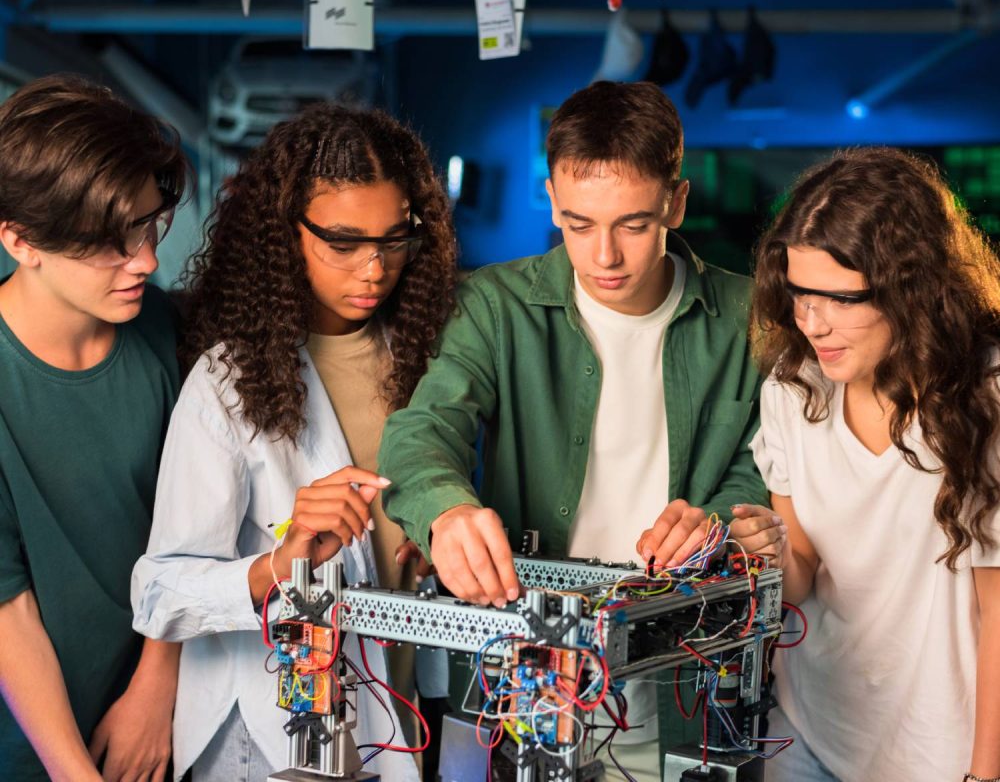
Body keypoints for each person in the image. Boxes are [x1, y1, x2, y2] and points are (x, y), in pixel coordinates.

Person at [378, 80, 777, 781]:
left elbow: (768, 464)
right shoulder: (493, 306)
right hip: (525, 680)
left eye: (633, 224)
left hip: (687, 679)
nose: (604, 257)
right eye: (578, 223)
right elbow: (422, 430)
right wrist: (446, 508)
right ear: (553, 200)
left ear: (676, 202)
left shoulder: (749, 320)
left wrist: (717, 521)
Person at [130, 103, 458, 781]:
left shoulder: (430, 356)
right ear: (285, 233)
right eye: (343, 242)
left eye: (394, 239)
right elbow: (160, 592)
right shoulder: (228, 380)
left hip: (396, 711)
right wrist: (279, 565)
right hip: (266, 734)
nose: (373, 269)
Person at [741, 146, 1000, 781]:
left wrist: (985, 773)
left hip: (939, 746)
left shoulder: (986, 396)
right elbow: (801, 576)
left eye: (840, 299)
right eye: (800, 294)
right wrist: (769, 552)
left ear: (912, 288)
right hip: (806, 728)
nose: (811, 323)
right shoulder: (792, 385)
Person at [0, 74, 187, 781]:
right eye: (110, 243)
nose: (145, 260)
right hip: (31, 748)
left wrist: (154, 686)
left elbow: (194, 534)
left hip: (161, 721)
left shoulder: (163, 332)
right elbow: (7, 612)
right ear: (21, 241)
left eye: (147, 226)